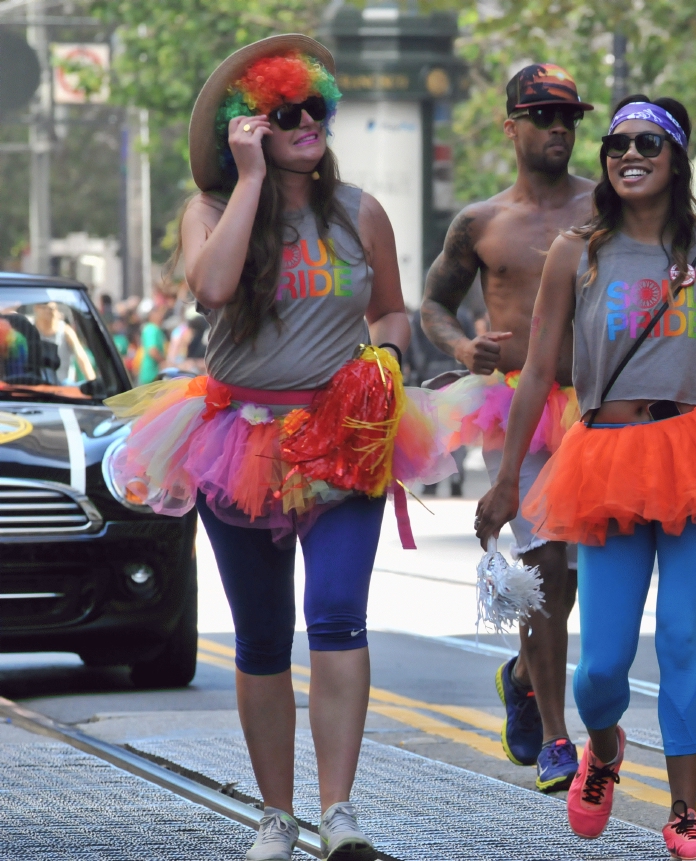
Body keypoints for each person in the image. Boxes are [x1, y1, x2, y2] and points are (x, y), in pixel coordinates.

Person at [103, 36, 456, 861]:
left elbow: (394, 312)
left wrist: (388, 365)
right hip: (239, 441)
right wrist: (253, 182)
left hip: (341, 441)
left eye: (316, 109)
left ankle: (339, 815)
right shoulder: (210, 211)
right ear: (248, 128)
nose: (307, 125)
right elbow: (213, 288)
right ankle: (276, 815)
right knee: (262, 636)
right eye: (284, 114)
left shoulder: (361, 212)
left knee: (337, 616)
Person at [474, 94, 696, 860]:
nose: (628, 154)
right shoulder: (578, 251)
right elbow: (536, 373)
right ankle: (603, 748)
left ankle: (685, 811)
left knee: (680, 637)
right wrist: (504, 482)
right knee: (600, 666)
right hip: (607, 461)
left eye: (647, 144)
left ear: (675, 160)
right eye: (616, 144)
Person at [419, 62, 596, 793]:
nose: (559, 129)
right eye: (544, 116)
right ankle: (559, 739)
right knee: (544, 566)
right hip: (516, 408)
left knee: (577, 576)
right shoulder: (481, 222)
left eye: (569, 119)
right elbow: (430, 305)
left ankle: (523, 673)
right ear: (511, 126)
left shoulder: (609, 205)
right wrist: (462, 347)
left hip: (596, 406)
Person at [137, 300, 169, 384]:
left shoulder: (152, 328)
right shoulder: (152, 329)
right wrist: (163, 362)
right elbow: (153, 351)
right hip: (152, 375)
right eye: (156, 311)